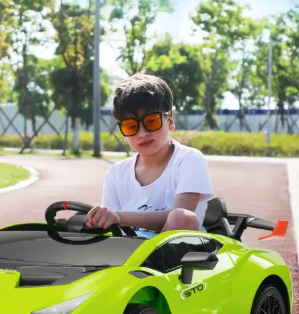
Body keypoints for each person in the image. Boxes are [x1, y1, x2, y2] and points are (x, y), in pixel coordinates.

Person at [86, 72, 213, 238]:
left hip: (180, 250)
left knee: (182, 217)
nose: (142, 133)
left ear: (170, 121)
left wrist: (119, 216)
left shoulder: (188, 159)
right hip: (130, 253)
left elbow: (181, 218)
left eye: (151, 121)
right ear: (123, 134)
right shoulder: (115, 174)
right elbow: (111, 228)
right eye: (131, 127)